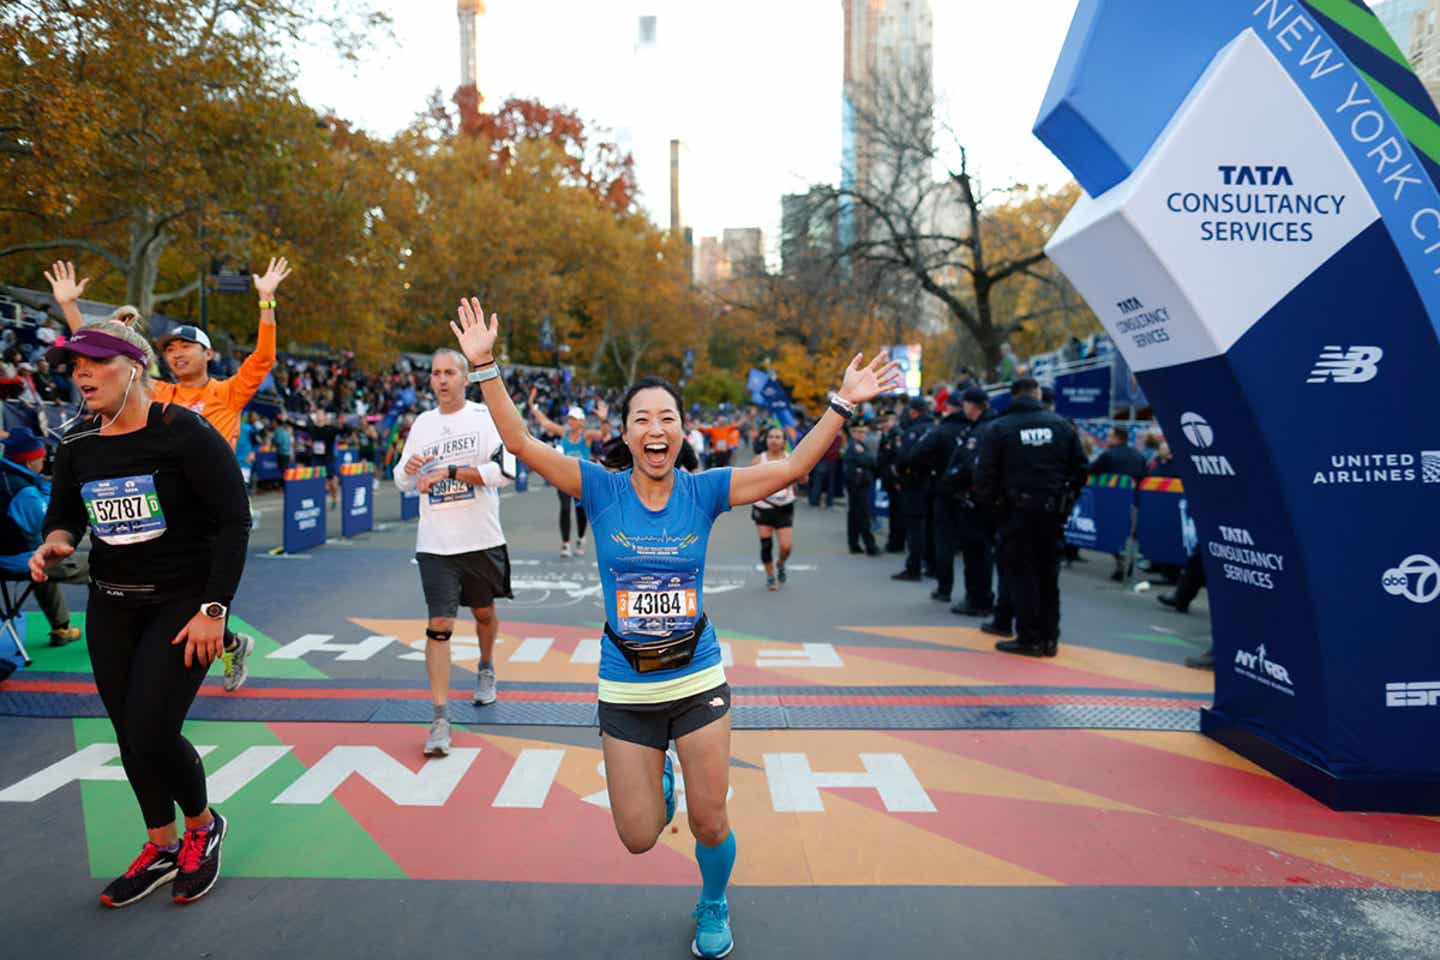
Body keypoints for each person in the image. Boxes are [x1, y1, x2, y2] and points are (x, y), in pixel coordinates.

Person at [448, 296, 900, 960]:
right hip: (625, 687)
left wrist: (843, 402)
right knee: (638, 836)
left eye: (667, 419)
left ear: (682, 433)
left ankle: (713, 901)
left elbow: (793, 469)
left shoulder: (704, 489)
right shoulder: (600, 489)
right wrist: (483, 365)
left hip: (696, 678)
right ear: (626, 435)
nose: (655, 429)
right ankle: (657, 782)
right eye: (642, 420)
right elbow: (518, 442)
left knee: (710, 818)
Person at [32, 313, 250, 906]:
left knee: (153, 731)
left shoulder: (185, 432)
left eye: (95, 363)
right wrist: (56, 540)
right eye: (75, 366)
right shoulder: (77, 442)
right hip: (112, 607)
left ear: (134, 369)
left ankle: (203, 829)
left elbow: (235, 520)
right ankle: (159, 845)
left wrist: (214, 608)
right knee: (130, 737)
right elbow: (66, 513)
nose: (81, 375)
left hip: (183, 605)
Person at [46, 257, 290, 692]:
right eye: (169, 350)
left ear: (208, 354)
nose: (176, 355)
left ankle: (213, 648)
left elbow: (265, 356)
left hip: (214, 511)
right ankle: (221, 646)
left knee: (208, 594)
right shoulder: (160, 393)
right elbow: (105, 362)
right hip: (170, 508)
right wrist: (71, 310)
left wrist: (266, 298)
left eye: (185, 348)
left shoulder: (229, 392)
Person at [393, 348, 512, 756]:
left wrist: (450, 472)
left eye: (449, 373)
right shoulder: (423, 424)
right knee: (439, 625)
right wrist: (410, 473)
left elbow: (505, 472)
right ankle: (440, 718)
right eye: (435, 373)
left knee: (484, 614)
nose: (441, 380)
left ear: (466, 379)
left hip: (480, 539)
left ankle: (485, 666)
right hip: (436, 544)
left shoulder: (485, 418)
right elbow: (401, 480)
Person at [975, 377, 1087, 658]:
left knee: (1021, 576)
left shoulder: (999, 428)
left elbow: (984, 476)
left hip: (1016, 513)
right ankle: (1050, 638)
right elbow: (1081, 469)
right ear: (1037, 394)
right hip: (1052, 513)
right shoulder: (1061, 425)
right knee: (1049, 575)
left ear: (1013, 396)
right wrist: (1066, 501)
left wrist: (995, 511)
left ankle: (1030, 638)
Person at [0, 426, 87, 645]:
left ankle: (61, 628)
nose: (45, 462)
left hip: (7, 556)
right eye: (41, 458)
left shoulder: (7, 478)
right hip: (15, 560)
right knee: (98, 563)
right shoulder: (24, 493)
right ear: (30, 462)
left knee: (40, 564)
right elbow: (47, 531)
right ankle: (114, 634)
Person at [903, 389, 972, 604]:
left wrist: (927, 469)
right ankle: (977, 595)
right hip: (973, 492)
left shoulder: (941, 430)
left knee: (944, 540)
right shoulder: (978, 428)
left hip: (945, 489)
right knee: (975, 546)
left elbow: (915, 455)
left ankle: (944, 587)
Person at [529, 388, 603, 557]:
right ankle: (565, 544)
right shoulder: (564, 432)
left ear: (582, 422)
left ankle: (581, 537)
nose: (570, 421)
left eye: (574, 419)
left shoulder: (588, 435)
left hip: (582, 478)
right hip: (563, 476)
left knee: (581, 510)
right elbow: (546, 424)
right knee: (564, 509)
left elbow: (603, 434)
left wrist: (603, 419)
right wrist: (534, 409)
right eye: (569, 418)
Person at [945, 388, 999, 616]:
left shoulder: (983, 429)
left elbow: (971, 465)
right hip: (977, 498)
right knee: (977, 552)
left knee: (977, 552)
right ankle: (979, 596)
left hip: (976, 500)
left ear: (972, 405)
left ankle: (978, 599)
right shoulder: (980, 426)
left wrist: (951, 478)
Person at [1089, 426, 1148, 582]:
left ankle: (1122, 566)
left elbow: (1090, 471)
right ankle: (1126, 564)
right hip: (1134, 502)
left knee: (1114, 534)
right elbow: (1144, 478)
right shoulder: (1138, 456)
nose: (1107, 439)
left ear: (1118, 438)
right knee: (1130, 534)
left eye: (1109, 436)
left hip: (1111, 503)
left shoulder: (1108, 455)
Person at [888, 397, 934, 582]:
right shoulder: (934, 429)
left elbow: (905, 458)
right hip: (933, 484)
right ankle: (930, 565)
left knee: (915, 528)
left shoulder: (913, 432)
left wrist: (899, 473)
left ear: (914, 412)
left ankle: (914, 567)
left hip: (914, 484)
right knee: (930, 527)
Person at [751, 425, 797, 590]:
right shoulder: (758, 460)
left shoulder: (791, 458)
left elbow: (802, 479)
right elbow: (750, 482)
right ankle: (770, 576)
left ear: (784, 441)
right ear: (766, 440)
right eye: (771, 437)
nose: (774, 440)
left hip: (784, 506)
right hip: (763, 506)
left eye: (778, 437)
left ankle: (780, 563)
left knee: (786, 546)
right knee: (766, 544)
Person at [842, 421, 881, 555]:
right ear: (853, 432)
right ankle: (870, 546)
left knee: (854, 515)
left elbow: (870, 461)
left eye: (863, 432)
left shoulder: (861, 445)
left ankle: (854, 544)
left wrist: (866, 459)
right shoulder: (854, 446)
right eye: (858, 432)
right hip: (857, 484)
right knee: (862, 515)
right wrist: (867, 459)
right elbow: (869, 461)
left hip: (858, 484)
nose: (861, 434)